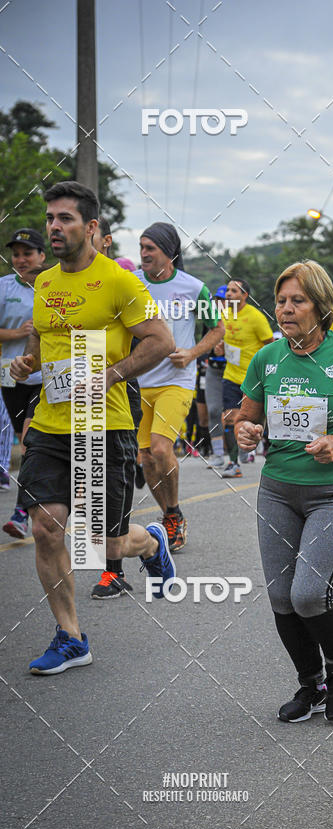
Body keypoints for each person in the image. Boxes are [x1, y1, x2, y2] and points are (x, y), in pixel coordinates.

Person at [10, 180, 176, 675]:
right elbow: (44, 346)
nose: (54, 227)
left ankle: (149, 541)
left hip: (104, 426)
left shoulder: (120, 282)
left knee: (102, 545)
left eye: (65, 219)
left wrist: (108, 376)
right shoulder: (43, 283)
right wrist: (27, 365)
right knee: (46, 527)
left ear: (92, 227)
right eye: (50, 219)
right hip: (51, 424)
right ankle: (71, 637)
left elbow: (161, 341)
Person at [234, 261, 333, 723]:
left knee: (309, 594)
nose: (286, 309)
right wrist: (246, 430)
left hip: (332, 492)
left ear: (320, 307)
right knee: (281, 597)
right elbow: (247, 415)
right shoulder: (268, 358)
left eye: (297, 301)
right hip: (277, 491)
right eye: (282, 300)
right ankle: (312, 686)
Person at [135, 223, 224, 551]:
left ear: (169, 254)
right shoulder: (132, 285)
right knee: (145, 458)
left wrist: (191, 353)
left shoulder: (192, 288)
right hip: (140, 381)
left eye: (150, 248)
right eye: (141, 247)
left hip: (177, 380)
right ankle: (172, 513)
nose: (143, 253)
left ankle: (171, 515)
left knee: (160, 448)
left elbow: (216, 330)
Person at [89, 219, 144, 599]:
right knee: (77, 506)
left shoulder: (123, 278)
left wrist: (115, 373)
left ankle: (115, 570)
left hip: (116, 400)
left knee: (106, 494)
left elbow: (154, 339)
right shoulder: (53, 283)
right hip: (62, 408)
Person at [0, 228, 46, 537]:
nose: (20, 259)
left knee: (30, 442)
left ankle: (20, 512)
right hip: (9, 376)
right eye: (16, 254)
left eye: (27, 253)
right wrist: (20, 333)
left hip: (44, 378)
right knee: (26, 443)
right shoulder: (3, 287)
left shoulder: (52, 286)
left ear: (42, 256)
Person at [217, 278, 273, 477]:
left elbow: (270, 344)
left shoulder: (256, 317)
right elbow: (222, 338)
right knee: (229, 418)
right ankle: (233, 463)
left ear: (245, 296)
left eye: (234, 291)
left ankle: (271, 456)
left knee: (262, 421)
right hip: (231, 375)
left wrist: (267, 369)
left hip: (254, 378)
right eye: (228, 291)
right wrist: (220, 347)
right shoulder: (224, 313)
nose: (229, 294)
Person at [204, 284, 227, 469]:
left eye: (225, 300)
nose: (221, 303)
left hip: (235, 371)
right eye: (218, 300)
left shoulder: (240, 320)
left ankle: (242, 451)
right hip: (213, 369)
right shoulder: (211, 319)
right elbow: (204, 343)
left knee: (236, 413)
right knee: (213, 411)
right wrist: (211, 349)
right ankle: (218, 453)